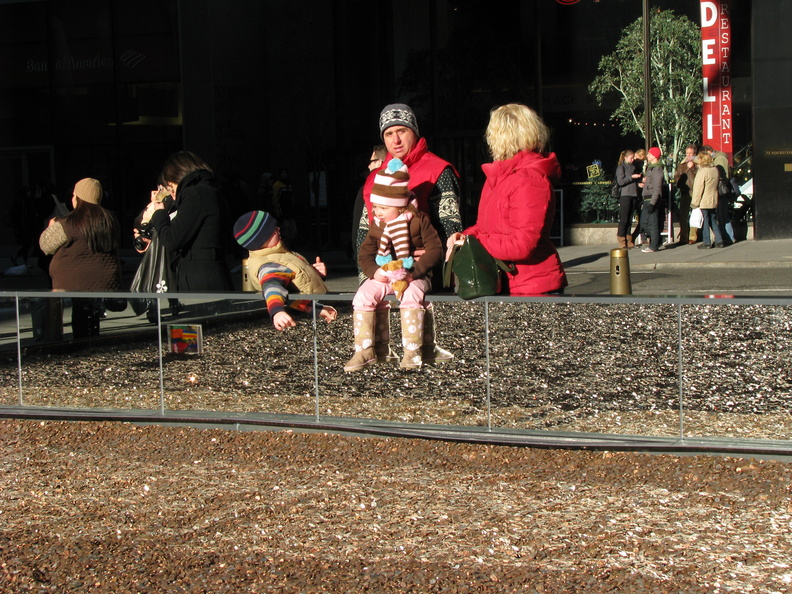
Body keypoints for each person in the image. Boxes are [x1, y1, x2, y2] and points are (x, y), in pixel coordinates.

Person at [446, 103, 567, 295]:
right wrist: (465, 235)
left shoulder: (529, 179)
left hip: (532, 286)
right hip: (506, 281)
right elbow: (485, 227)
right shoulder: (499, 177)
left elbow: (522, 244)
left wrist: (473, 241)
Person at [345, 159, 447, 372]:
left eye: (382, 207)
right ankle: (367, 348)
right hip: (386, 273)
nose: (377, 212)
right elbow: (364, 253)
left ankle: (413, 348)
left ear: (400, 205)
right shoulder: (378, 225)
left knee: (411, 296)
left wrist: (414, 272)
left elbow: (435, 249)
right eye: (375, 207)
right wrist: (374, 272)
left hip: (414, 274)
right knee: (363, 296)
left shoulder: (418, 220)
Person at [38, 178, 122, 338]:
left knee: (67, 308)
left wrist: (49, 228)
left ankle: (55, 340)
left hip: (71, 280)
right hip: (103, 279)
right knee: (89, 314)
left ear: (78, 197)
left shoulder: (69, 222)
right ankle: (90, 339)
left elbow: (45, 245)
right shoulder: (109, 220)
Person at [142, 151, 233, 292]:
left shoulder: (195, 194)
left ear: (177, 176)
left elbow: (172, 239)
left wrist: (159, 213)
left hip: (199, 278)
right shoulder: (212, 191)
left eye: (171, 187)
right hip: (215, 272)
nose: (172, 194)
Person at [233, 210, 337, 331]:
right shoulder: (270, 264)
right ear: (262, 239)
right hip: (297, 322)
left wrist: (316, 274)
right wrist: (277, 312)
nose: (278, 229)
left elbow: (296, 289)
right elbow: (273, 288)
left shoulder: (282, 255)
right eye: (272, 230)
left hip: (306, 316)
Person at [131, 180, 181, 322]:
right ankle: (169, 306)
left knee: (157, 276)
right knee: (161, 276)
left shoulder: (161, 201)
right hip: (161, 245)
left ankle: (166, 307)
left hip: (159, 245)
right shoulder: (165, 201)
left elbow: (140, 220)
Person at [352, 144, 388, 280]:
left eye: (371, 161)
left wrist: (356, 252)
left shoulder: (368, 186)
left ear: (379, 162)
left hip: (372, 254)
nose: (368, 166)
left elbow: (358, 225)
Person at [702, 145, 736, 244]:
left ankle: (729, 237)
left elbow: (723, 176)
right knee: (720, 215)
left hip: (721, 191)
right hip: (718, 190)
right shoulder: (718, 158)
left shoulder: (720, 159)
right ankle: (726, 237)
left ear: (709, 151)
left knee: (722, 215)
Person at [690, 150, 724, 249]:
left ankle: (707, 242)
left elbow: (698, 188)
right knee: (713, 220)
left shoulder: (702, 171)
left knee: (705, 221)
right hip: (713, 198)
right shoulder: (715, 169)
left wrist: (694, 203)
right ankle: (719, 240)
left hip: (704, 200)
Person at [638, 147, 665, 253]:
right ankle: (656, 240)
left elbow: (657, 188)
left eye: (649, 154)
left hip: (652, 199)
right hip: (647, 198)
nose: (647, 155)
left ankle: (654, 245)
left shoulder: (657, 169)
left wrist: (653, 203)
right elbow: (652, 184)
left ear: (654, 156)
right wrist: (644, 185)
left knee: (652, 223)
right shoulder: (651, 168)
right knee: (643, 222)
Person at [614, 150, 642, 248]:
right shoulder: (621, 167)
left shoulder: (634, 167)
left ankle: (629, 239)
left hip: (634, 194)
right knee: (624, 218)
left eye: (633, 157)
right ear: (625, 158)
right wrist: (632, 177)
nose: (633, 159)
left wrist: (639, 182)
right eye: (631, 157)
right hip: (625, 195)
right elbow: (621, 181)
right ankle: (621, 239)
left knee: (630, 218)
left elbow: (634, 180)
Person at [673, 144, 700, 245]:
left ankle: (693, 236)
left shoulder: (698, 164)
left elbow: (699, 176)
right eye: (687, 153)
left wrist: (693, 168)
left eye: (690, 154)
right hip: (684, 192)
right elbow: (677, 176)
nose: (688, 156)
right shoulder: (682, 165)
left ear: (695, 154)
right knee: (683, 216)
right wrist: (678, 182)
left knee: (694, 215)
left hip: (694, 192)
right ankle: (683, 236)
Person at [271, 168, 297, 247]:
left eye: (285, 173)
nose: (284, 174)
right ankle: (286, 247)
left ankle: (288, 246)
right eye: (283, 173)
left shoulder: (288, 185)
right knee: (285, 233)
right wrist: (278, 213)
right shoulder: (277, 185)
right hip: (283, 213)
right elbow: (275, 200)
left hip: (290, 213)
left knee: (293, 231)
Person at [630, 148, 647, 246]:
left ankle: (640, 236)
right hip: (639, 194)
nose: (635, 159)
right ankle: (638, 236)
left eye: (636, 157)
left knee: (643, 217)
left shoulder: (642, 165)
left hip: (641, 194)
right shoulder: (637, 165)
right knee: (642, 217)